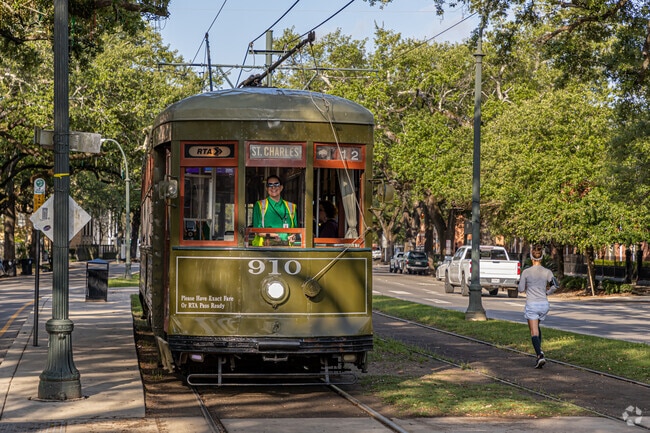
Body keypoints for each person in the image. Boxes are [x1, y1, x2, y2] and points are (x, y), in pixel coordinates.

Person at [518, 245, 558, 368]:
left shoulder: (526, 272)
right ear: (541, 257)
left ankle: (540, 355)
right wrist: (547, 292)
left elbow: (520, 289)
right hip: (544, 304)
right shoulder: (547, 272)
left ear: (531, 257)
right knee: (537, 326)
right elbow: (555, 285)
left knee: (533, 331)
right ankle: (539, 352)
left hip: (532, 304)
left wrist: (523, 285)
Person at [252, 175, 298, 246]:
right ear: (266, 188)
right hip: (264, 249)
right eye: (270, 185)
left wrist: (293, 237)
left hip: (287, 250)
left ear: (281, 187)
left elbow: (294, 229)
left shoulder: (292, 206)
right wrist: (275, 235)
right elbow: (257, 230)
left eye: (276, 184)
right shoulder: (259, 205)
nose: (273, 187)